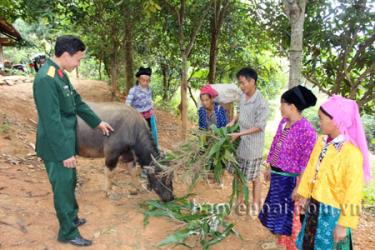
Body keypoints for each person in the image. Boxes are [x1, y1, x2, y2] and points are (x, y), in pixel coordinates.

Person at [33, 35, 113, 247]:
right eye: (78, 59)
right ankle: (67, 232)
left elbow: (76, 101)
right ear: (66, 55)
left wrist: (97, 122)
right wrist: (64, 153)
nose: (79, 63)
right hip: (56, 146)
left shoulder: (59, 74)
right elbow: (51, 122)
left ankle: (72, 217)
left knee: (70, 182)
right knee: (63, 187)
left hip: (66, 141)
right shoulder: (45, 79)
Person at [295, 95, 371, 249]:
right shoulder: (321, 142)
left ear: (336, 120)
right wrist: (304, 194)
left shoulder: (352, 154)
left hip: (333, 214)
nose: (319, 122)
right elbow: (311, 169)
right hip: (315, 205)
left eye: (321, 118)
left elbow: (353, 192)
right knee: (309, 244)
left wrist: (344, 224)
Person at [258, 85, 317, 250]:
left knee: (287, 215)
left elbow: (306, 163)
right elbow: (276, 144)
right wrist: (270, 166)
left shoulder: (307, 131)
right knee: (275, 211)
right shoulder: (284, 123)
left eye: (282, 103)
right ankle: (277, 241)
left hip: (290, 180)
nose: (280, 107)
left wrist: (300, 187)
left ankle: (285, 245)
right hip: (277, 176)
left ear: (292, 106)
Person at [227, 67, 269, 214]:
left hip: (253, 145)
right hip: (241, 143)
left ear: (253, 82)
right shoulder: (243, 96)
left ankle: (256, 203)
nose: (241, 86)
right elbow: (239, 112)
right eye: (240, 83)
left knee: (253, 176)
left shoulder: (261, 102)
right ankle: (239, 202)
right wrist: (233, 122)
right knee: (240, 174)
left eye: (243, 83)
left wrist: (240, 134)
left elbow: (259, 126)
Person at [126, 66, 158, 147]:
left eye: (147, 80)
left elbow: (150, 100)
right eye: (143, 80)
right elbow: (128, 103)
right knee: (138, 134)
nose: (145, 82)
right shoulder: (133, 90)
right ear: (139, 79)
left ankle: (151, 149)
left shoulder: (149, 89)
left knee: (149, 133)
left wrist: (153, 111)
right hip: (138, 116)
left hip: (148, 115)